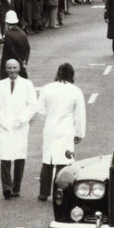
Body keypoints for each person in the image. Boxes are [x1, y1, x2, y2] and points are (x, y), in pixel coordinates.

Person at [35, 62, 86, 201]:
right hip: (66, 129)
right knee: (63, 162)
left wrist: (48, 117)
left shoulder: (47, 88)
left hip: (50, 128)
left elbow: (39, 109)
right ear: (72, 75)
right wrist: (79, 134)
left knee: (48, 161)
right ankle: (59, 193)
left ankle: (43, 193)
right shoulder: (75, 91)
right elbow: (80, 115)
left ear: (58, 73)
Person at [0, 59, 36, 199]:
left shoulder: (27, 84)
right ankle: (6, 187)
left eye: (14, 67)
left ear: (19, 68)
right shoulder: (0, 85)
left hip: (20, 125)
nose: (12, 70)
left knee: (19, 156)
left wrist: (21, 120)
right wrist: (1, 120)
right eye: (9, 68)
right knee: (5, 157)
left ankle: (16, 187)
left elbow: (32, 105)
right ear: (6, 69)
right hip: (4, 125)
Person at [0, 10, 29, 79]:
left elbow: (8, 52)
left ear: (6, 23)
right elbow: (27, 49)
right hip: (21, 66)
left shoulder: (8, 35)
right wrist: (24, 62)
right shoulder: (23, 33)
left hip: (10, 67)